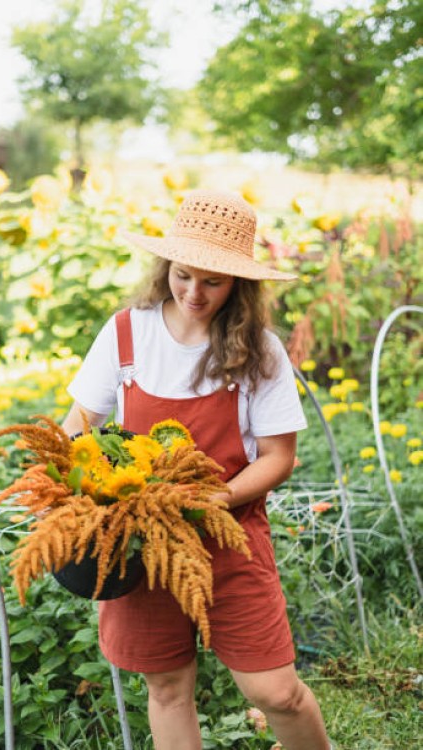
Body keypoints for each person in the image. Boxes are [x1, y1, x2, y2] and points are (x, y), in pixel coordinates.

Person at [63, 189, 332, 750]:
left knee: (275, 691)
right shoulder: (126, 333)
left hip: (228, 535)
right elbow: (79, 426)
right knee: (165, 686)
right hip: (142, 542)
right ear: (167, 267)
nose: (194, 293)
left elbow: (280, 457)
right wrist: (72, 497)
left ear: (238, 283)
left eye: (213, 281)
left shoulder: (259, 349)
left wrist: (217, 500)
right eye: (184, 276)